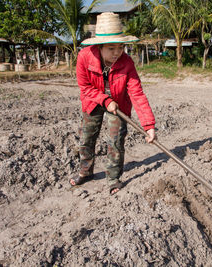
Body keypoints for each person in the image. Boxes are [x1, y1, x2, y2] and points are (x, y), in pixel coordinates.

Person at [72, 12, 156, 195]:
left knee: (116, 141)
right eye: (111, 48)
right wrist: (104, 99)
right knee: (86, 138)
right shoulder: (84, 57)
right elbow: (84, 87)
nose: (117, 52)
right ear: (99, 47)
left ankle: (113, 178)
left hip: (119, 104)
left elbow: (137, 93)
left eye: (120, 47)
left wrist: (149, 125)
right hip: (93, 101)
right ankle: (85, 172)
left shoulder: (127, 63)